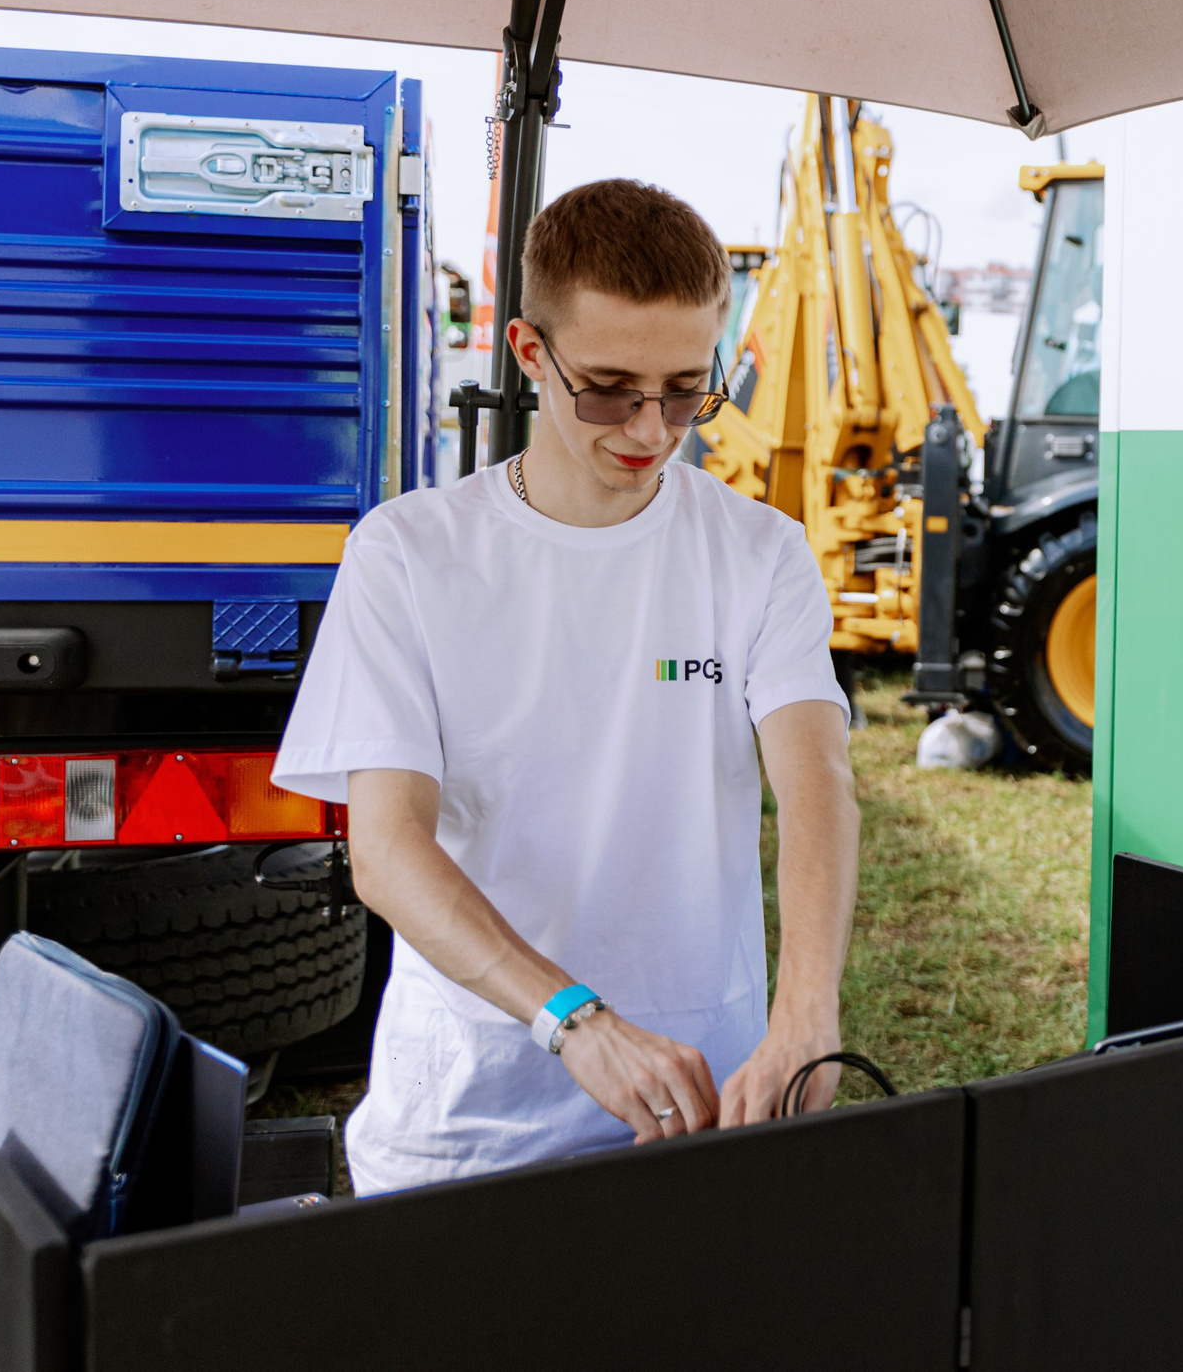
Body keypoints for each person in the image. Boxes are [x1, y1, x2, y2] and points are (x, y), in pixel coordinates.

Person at [274, 178, 861, 1194]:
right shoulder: (410, 555)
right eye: (609, 388)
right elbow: (385, 849)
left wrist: (806, 1010)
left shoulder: (759, 554)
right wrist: (572, 1018)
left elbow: (816, 784)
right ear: (528, 352)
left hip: (702, 1110)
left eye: (687, 390)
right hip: (467, 1122)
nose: (649, 429)